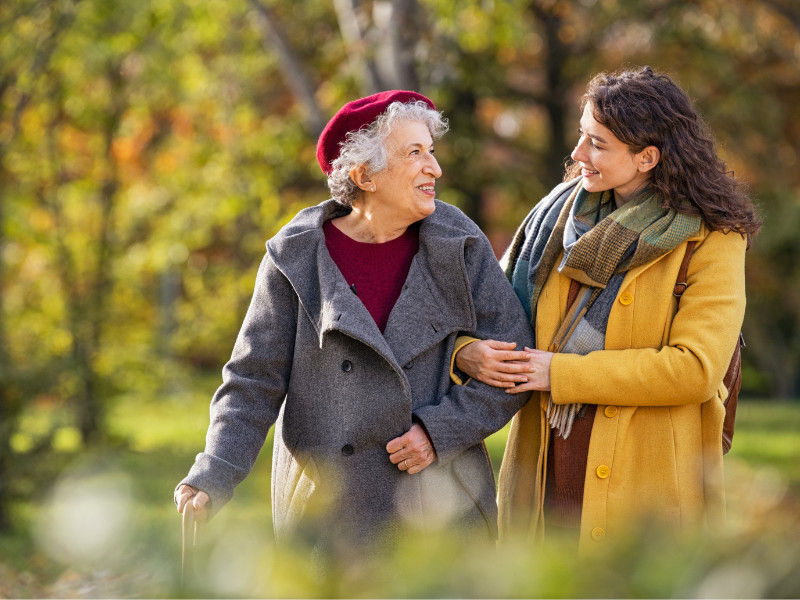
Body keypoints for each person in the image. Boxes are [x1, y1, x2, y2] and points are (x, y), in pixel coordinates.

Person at [174, 90, 533, 553]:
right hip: (329, 513)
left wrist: (440, 431)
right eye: (415, 153)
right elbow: (253, 380)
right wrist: (214, 472)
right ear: (364, 175)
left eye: (431, 151)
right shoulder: (296, 257)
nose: (435, 168)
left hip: (442, 507)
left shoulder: (458, 243)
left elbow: (515, 361)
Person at [453, 67, 760, 551]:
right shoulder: (554, 220)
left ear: (646, 157)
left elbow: (695, 369)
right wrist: (466, 352)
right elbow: (484, 315)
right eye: (581, 136)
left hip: (647, 488)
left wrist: (560, 373)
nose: (578, 154)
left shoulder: (713, 238)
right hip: (543, 470)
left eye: (597, 144)